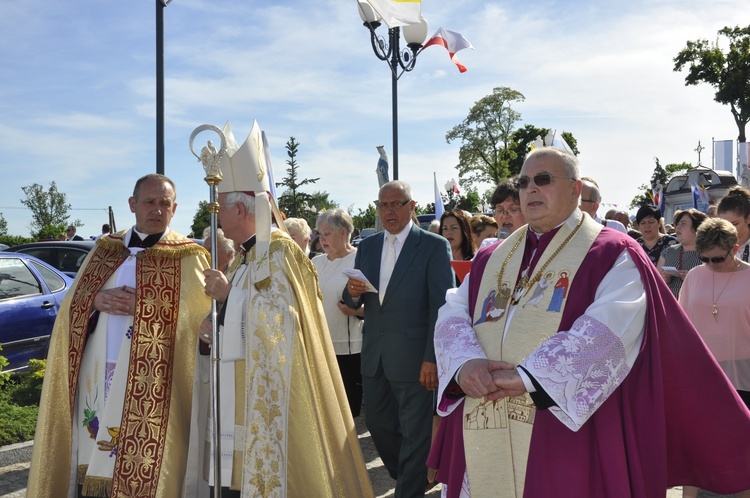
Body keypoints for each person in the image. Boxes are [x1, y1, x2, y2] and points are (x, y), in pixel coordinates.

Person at [428, 147, 750, 497]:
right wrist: (465, 363)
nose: (530, 189)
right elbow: (452, 311)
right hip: (484, 417)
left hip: (563, 423)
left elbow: (612, 327)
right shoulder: (493, 256)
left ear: (575, 189)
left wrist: (529, 377)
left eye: (543, 179)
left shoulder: (614, 252)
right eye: (523, 182)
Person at [200, 122, 372, 497]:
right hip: (237, 387)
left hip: (274, 395)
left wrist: (230, 298)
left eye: (219, 210)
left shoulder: (279, 251)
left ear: (241, 208)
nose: (217, 220)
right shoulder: (243, 257)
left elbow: (284, 321)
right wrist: (213, 317)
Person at [27, 173, 212, 498]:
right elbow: (72, 305)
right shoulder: (105, 250)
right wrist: (94, 301)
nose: (157, 209)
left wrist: (146, 307)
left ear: (174, 208)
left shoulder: (188, 256)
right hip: (98, 373)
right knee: (95, 443)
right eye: (150, 202)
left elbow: (197, 320)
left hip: (152, 379)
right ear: (133, 204)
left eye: (164, 204)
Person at [343, 180, 454, 498]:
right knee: (378, 425)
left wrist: (432, 356)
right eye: (383, 204)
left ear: (412, 206)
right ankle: (413, 476)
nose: (388, 210)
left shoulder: (433, 246)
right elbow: (353, 297)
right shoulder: (368, 246)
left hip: (416, 359)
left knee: (416, 434)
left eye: (396, 203)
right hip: (375, 356)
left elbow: (441, 307)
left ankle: (409, 488)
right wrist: (351, 294)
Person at [678, 218, 750, 498]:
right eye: (704, 258)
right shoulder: (695, 275)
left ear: (735, 248)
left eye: (717, 258)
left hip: (743, 377)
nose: (710, 264)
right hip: (699, 375)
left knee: (741, 449)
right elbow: (682, 323)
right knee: (695, 446)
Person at [312, 208, 364, 417]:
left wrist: (357, 310)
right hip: (320, 344)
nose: (321, 239)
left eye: (327, 234)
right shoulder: (316, 262)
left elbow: (373, 299)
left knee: (347, 409)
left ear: (343, 232)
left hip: (350, 347)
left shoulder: (359, 259)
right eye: (319, 234)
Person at [656, 208, 707, 298]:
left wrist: (693, 279)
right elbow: (656, 283)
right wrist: (663, 279)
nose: (677, 227)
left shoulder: (709, 254)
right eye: (677, 223)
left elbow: (716, 284)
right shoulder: (668, 252)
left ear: (698, 228)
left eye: (683, 224)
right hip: (670, 307)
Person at [717, 185, 750, 263]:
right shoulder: (715, 246)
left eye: (734, 224)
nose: (728, 229)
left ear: (748, 219)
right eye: (724, 225)